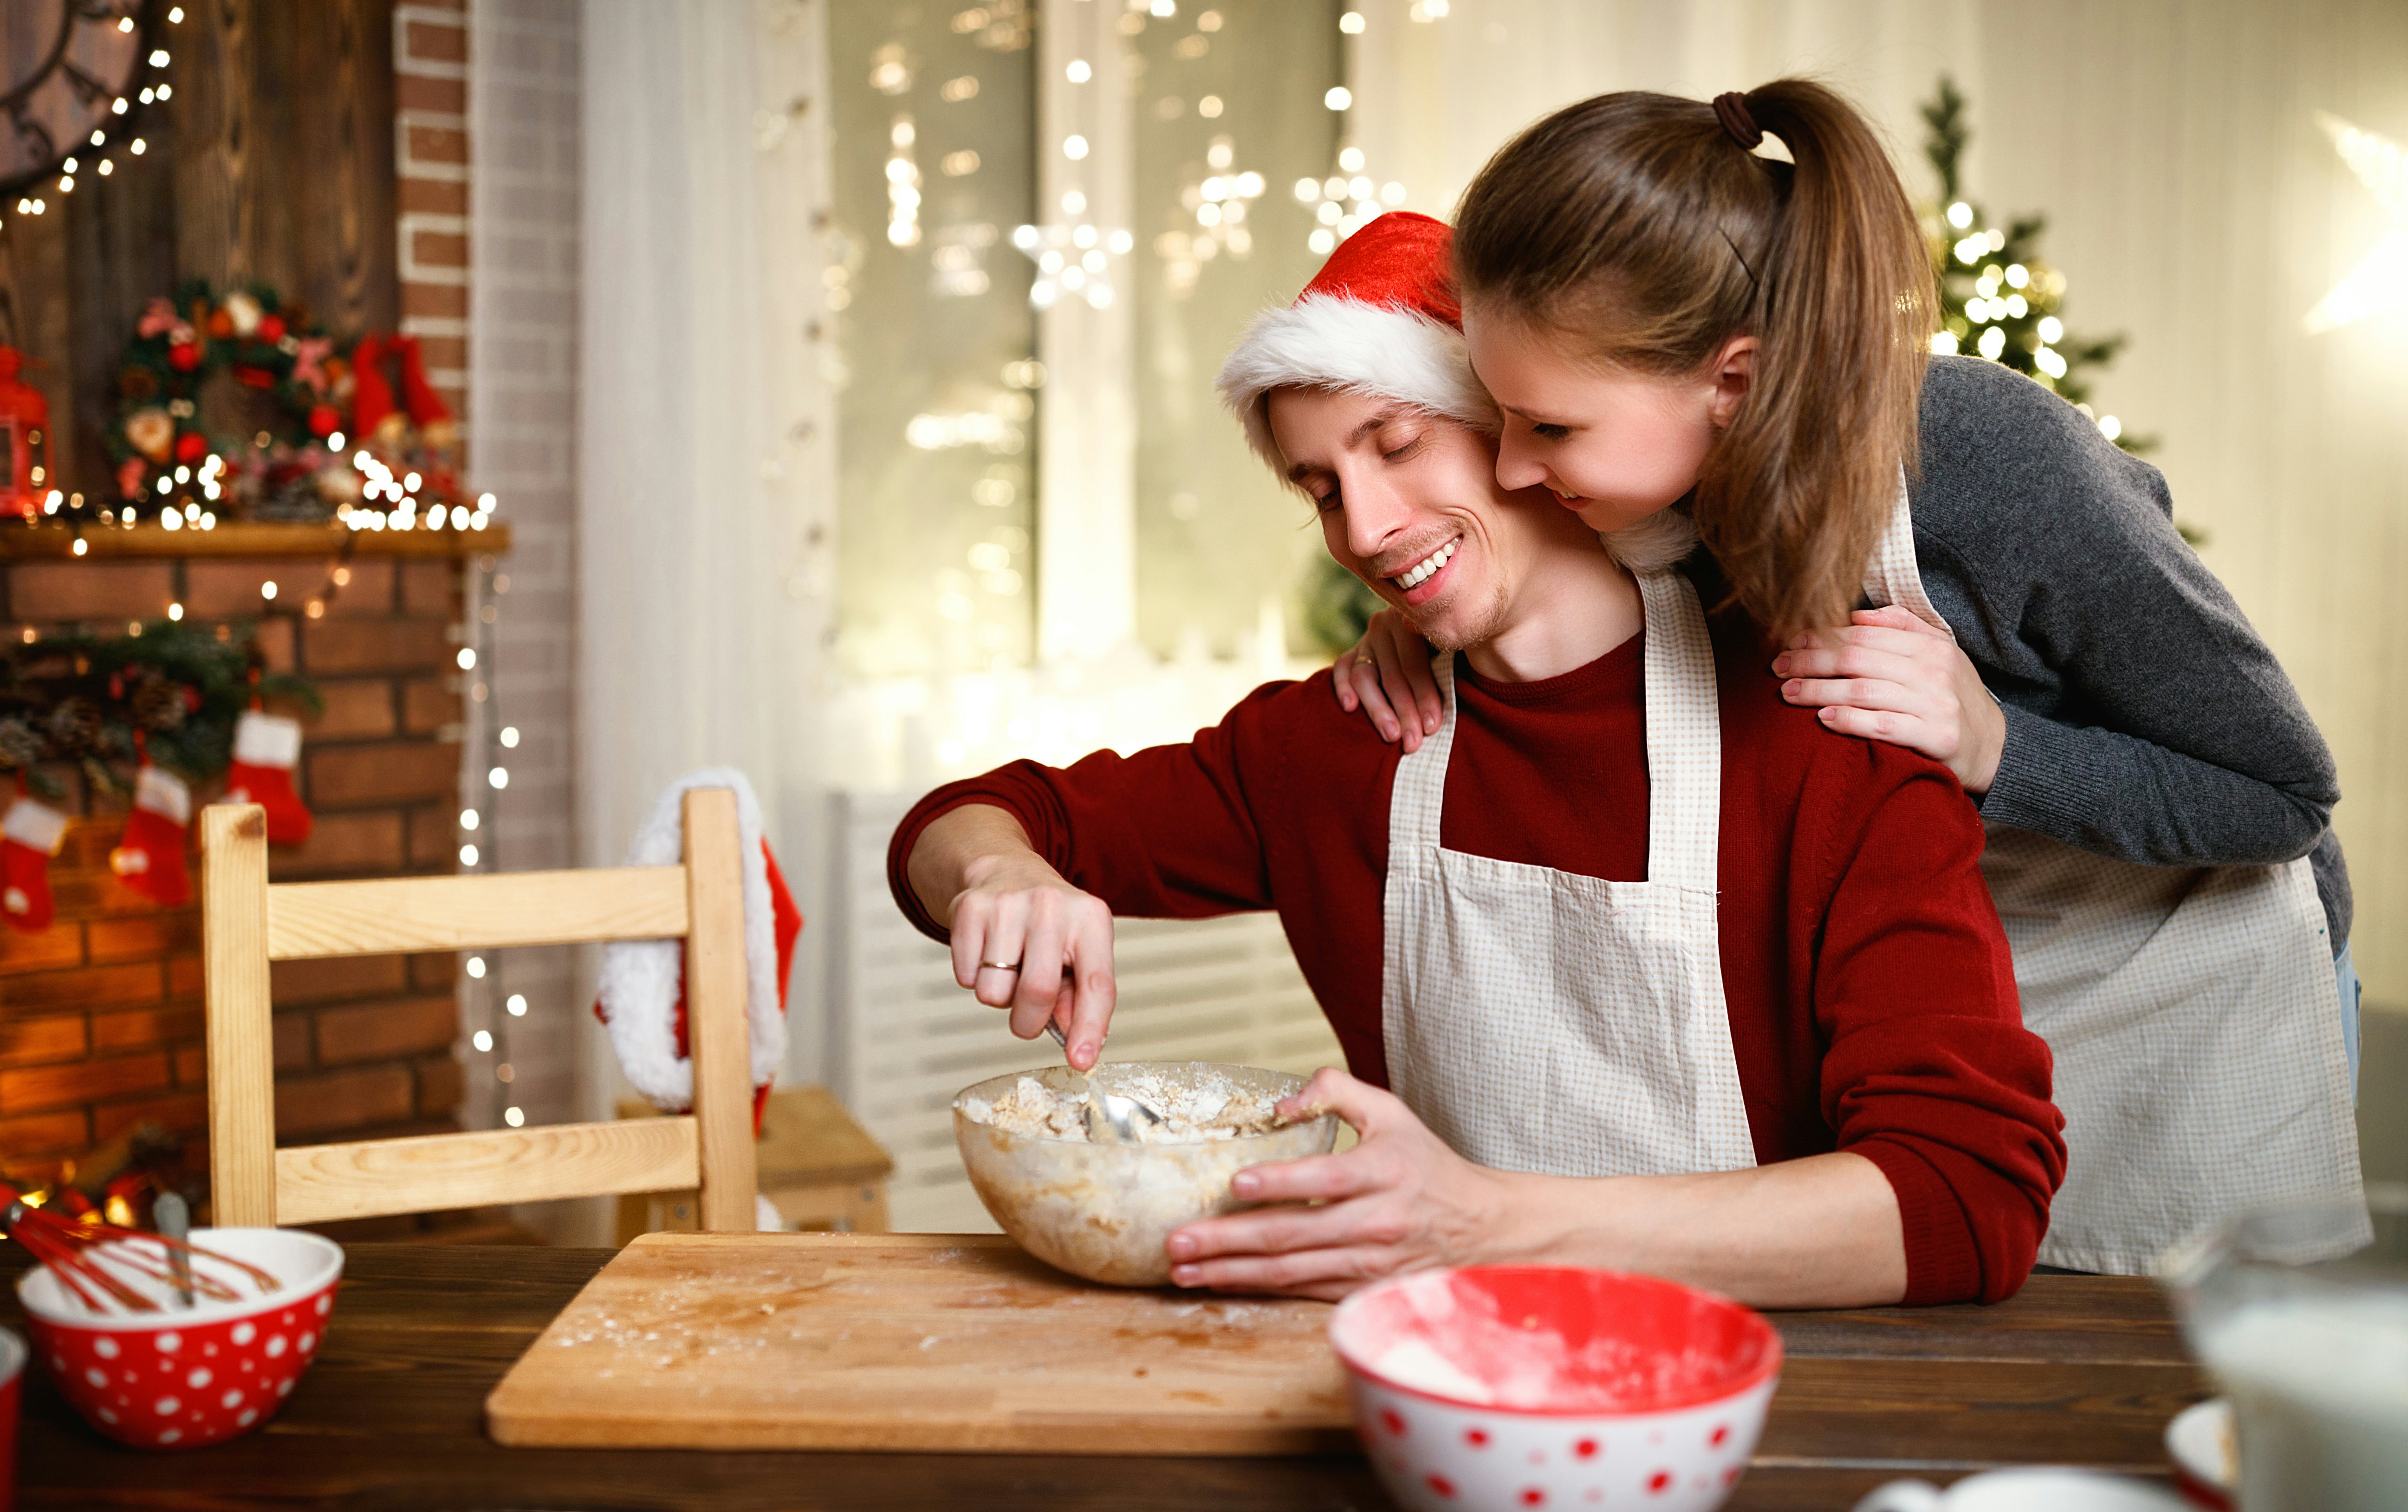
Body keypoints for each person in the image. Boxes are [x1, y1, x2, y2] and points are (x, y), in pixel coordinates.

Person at [889, 212, 2064, 1309]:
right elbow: (979, 817)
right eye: (1321, 488)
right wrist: (1000, 876)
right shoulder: (1337, 743)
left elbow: (1966, 1199)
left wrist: (1486, 1222)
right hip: (1446, 1377)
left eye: (1396, 445)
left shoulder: (1823, 731)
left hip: (1765, 1401)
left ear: (1525, 428)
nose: (1364, 528)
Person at [1331, 82, 2364, 1274]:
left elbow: (2281, 794)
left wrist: (1994, 749)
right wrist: (1421, 620)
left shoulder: (1990, 462)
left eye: (1548, 429)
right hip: (1962, 997)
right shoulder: (1654, 494)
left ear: (1733, 379)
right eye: (1499, 418)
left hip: (2188, 993)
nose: (1512, 467)